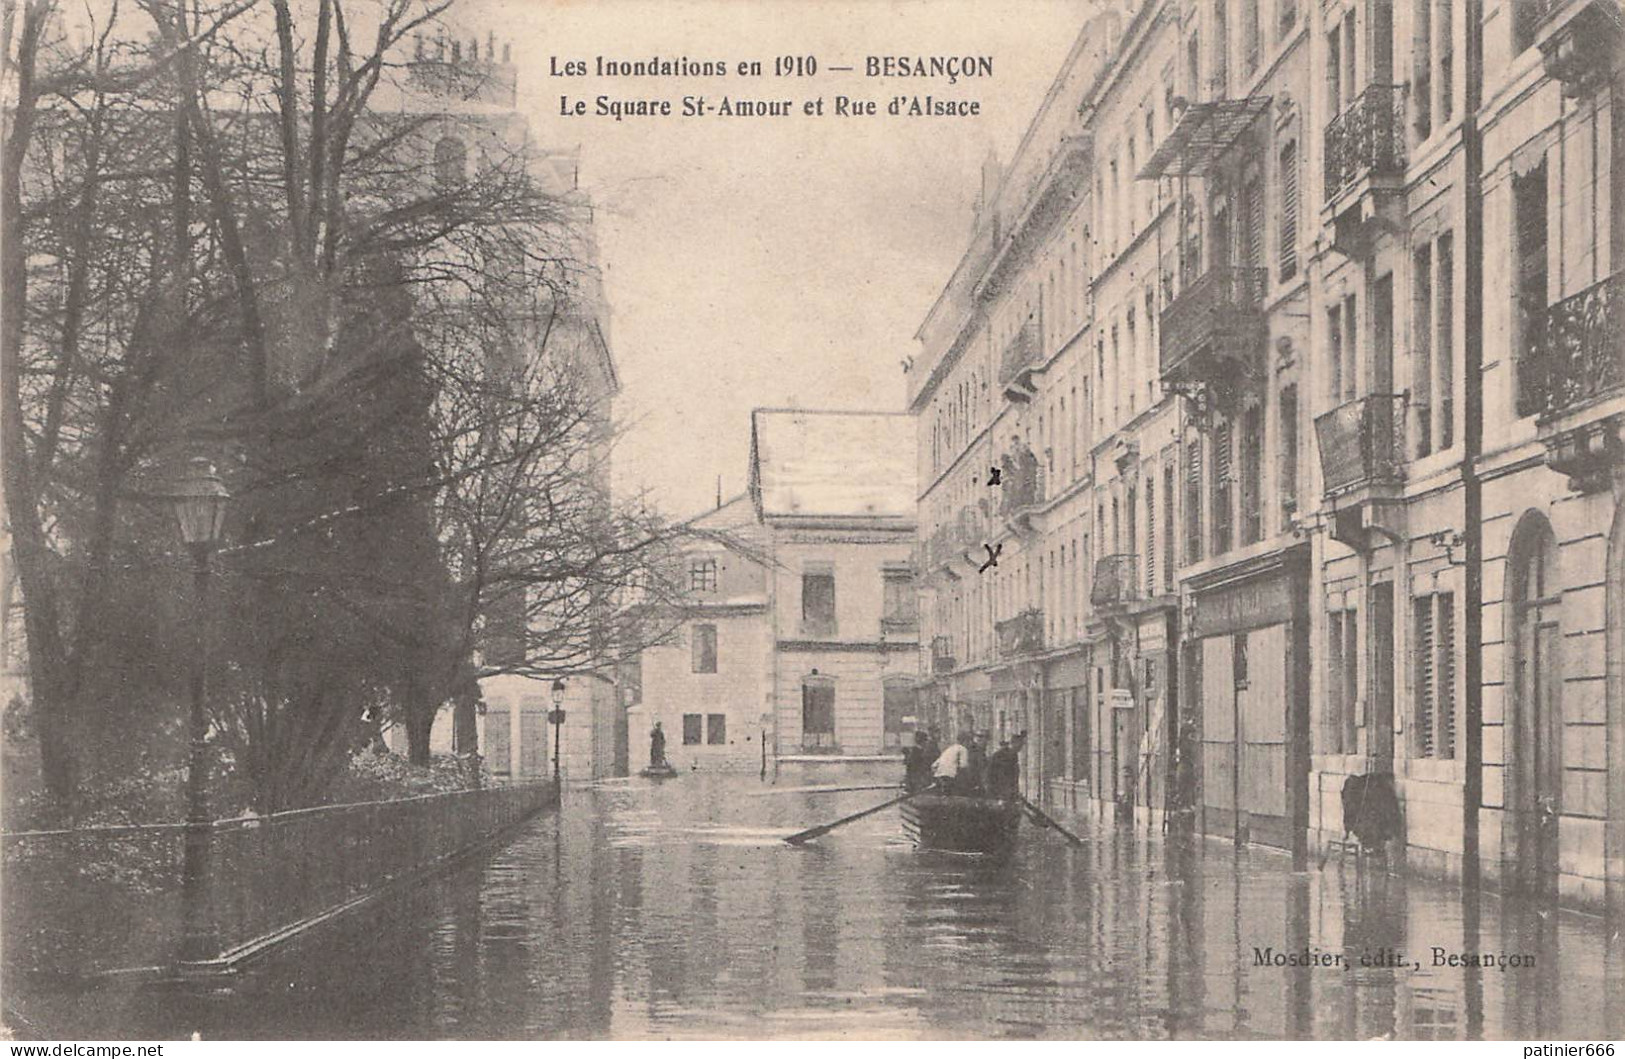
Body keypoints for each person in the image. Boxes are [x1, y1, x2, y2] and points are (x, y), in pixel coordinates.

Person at [987, 732, 1026, 800]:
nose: (1020, 748)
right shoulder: (999, 756)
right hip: (999, 794)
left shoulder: (1013, 756)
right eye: (1020, 745)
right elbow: (994, 776)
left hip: (1008, 794)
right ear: (1014, 743)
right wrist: (998, 794)